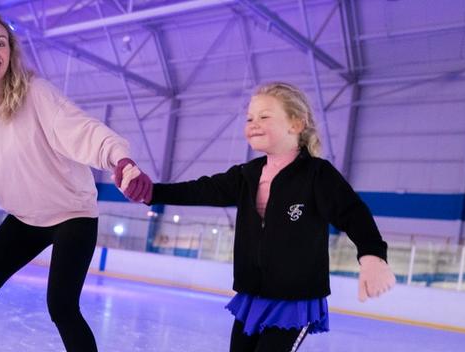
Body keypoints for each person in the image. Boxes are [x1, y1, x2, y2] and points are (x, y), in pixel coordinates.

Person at [118, 82, 396, 352]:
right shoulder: (247, 175)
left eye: (264, 116)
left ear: (296, 125)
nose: (253, 123)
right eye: (250, 117)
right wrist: (151, 192)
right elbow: (201, 190)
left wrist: (372, 255)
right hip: (253, 294)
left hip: (293, 301)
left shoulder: (317, 175)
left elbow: (353, 213)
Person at [0, 10, 148, 352]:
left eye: (0, 43)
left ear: (10, 51)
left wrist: (119, 157)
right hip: (25, 219)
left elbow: (83, 129)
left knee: (61, 306)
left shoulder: (38, 94)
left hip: (72, 214)